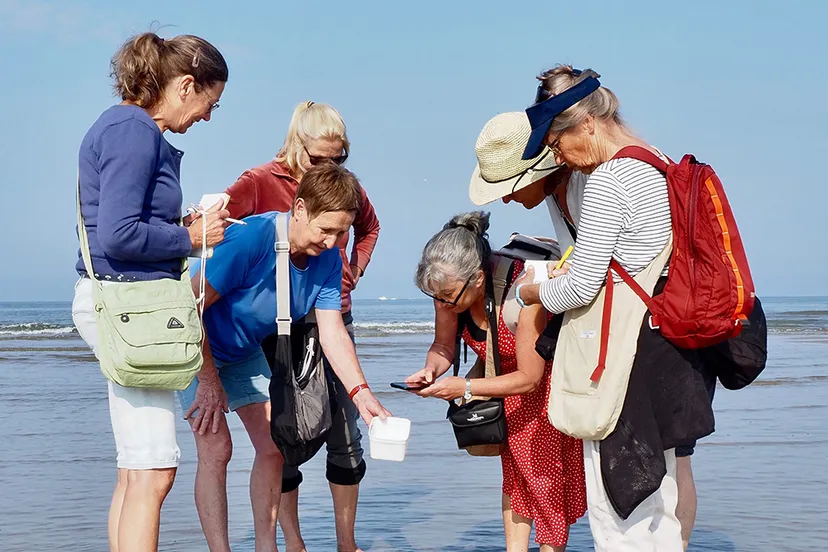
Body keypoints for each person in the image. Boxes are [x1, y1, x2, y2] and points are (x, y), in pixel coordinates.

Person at [470, 111, 712, 551]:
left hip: (642, 345)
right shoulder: (572, 187)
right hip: (656, 336)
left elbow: (584, 284)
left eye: (508, 188)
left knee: (635, 486)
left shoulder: (599, 182)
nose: (505, 201)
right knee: (665, 476)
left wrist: (531, 294)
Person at [178, 161, 390, 552]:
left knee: (274, 448)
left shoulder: (328, 259)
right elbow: (189, 307)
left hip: (242, 353)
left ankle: (265, 547)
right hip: (193, 347)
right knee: (217, 448)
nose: (331, 242)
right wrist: (207, 380)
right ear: (300, 209)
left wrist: (362, 393)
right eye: (326, 230)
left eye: (342, 233)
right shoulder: (250, 240)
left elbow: (332, 331)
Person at [72, 32, 230, 552]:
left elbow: (121, 225)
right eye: (211, 102)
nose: (208, 117)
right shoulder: (133, 129)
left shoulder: (124, 127)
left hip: (122, 302)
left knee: (137, 469)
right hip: (130, 306)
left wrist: (180, 227)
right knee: (154, 470)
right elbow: (117, 234)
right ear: (187, 85)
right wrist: (190, 236)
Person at [223, 101, 380, 552]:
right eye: (319, 158)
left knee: (345, 432)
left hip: (329, 308)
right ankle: (292, 539)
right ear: (297, 145)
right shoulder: (259, 182)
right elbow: (216, 233)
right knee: (287, 430)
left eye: (338, 158)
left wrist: (354, 267)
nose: (328, 166)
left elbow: (369, 227)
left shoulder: (343, 191)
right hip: (274, 325)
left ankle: (346, 543)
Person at [404, 212, 587, 552]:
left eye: (448, 297)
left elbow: (530, 378)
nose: (443, 305)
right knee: (515, 480)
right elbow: (443, 347)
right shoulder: (448, 289)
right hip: (505, 388)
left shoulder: (522, 291)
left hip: (545, 388)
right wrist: (431, 370)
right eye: (436, 297)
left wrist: (466, 388)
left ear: (476, 279)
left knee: (545, 484)